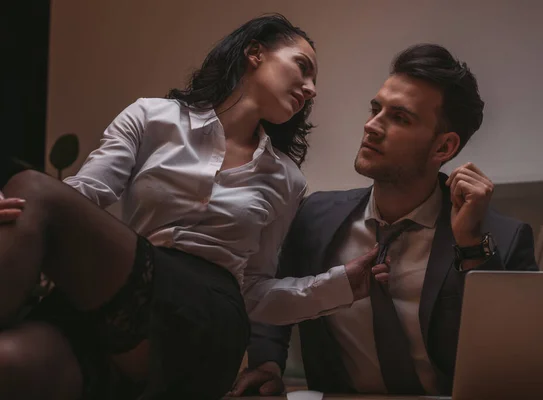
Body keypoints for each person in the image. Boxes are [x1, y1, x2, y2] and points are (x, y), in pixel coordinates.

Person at [0, 14, 389, 400]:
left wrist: (340, 286)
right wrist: (29, 216)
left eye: (314, 82)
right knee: (9, 363)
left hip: (208, 325)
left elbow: (252, 290)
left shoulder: (287, 180)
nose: (311, 90)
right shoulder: (151, 117)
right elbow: (84, 194)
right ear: (255, 53)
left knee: (31, 187)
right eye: (302, 69)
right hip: (130, 301)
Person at [230, 44, 538, 397]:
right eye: (376, 109)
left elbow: (513, 355)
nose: (371, 126)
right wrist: (268, 364)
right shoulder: (314, 215)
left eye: (400, 118)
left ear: (444, 148)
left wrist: (470, 244)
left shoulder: (502, 238)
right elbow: (271, 294)